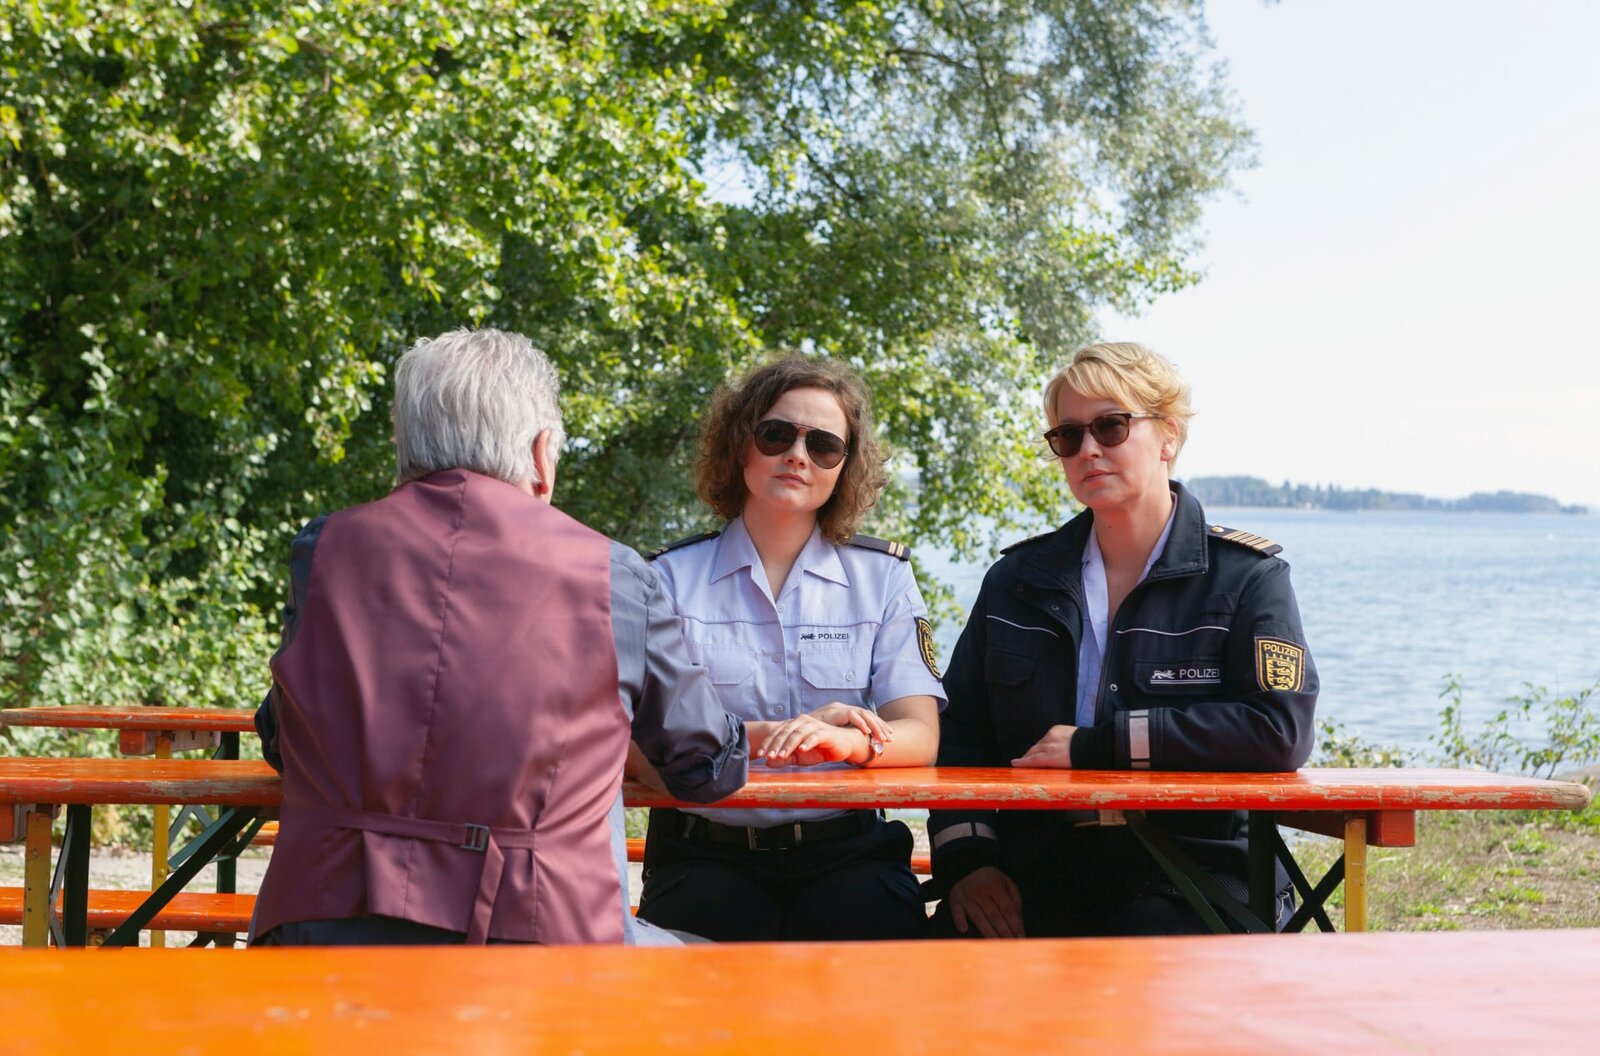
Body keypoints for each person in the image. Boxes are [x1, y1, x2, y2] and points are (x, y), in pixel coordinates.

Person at [250, 327, 748, 946]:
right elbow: (708, 765)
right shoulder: (612, 573)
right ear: (542, 454)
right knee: (727, 976)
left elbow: (282, 738)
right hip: (539, 944)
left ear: (405, 448)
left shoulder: (323, 549)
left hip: (322, 934)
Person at [928, 341, 1318, 938]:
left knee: (1135, 958)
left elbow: (1279, 730)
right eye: (1068, 436)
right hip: (1039, 866)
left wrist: (1099, 746)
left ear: (1169, 436)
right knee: (924, 964)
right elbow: (957, 738)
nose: (1088, 449)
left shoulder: (1246, 579)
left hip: (1199, 869)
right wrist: (970, 862)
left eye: (1111, 426)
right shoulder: (1016, 582)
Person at [632, 355, 945, 941]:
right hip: (704, 855)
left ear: (844, 467)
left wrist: (848, 742)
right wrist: (765, 738)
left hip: (850, 856)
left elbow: (921, 734)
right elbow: (637, 743)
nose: (798, 455)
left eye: (823, 445)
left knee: (886, 968)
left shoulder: (884, 578)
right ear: (740, 446)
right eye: (777, 435)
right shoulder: (666, 580)